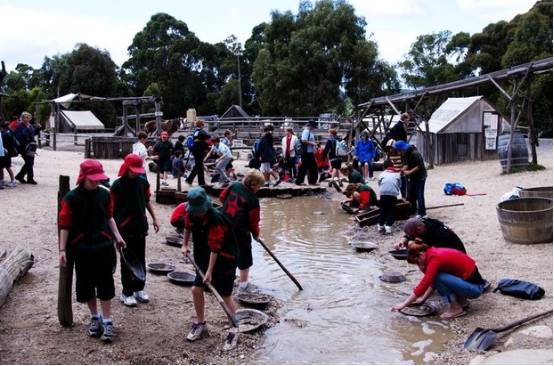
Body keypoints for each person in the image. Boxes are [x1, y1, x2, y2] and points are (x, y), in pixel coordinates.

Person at [58, 159, 126, 343]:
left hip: (103, 246)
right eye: (93, 179)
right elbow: (64, 224)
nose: (97, 182)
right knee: (86, 284)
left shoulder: (104, 195)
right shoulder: (71, 198)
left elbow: (110, 217)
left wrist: (118, 236)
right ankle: (94, 317)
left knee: (105, 284)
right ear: (84, 177)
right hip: (81, 248)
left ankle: (108, 320)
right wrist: (62, 249)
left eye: (98, 178)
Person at [181, 187, 240, 351]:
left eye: (199, 211)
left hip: (225, 258)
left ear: (205, 207)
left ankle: (235, 328)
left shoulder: (216, 220)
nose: (196, 214)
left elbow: (215, 248)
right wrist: (185, 244)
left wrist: (209, 272)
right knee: (195, 289)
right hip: (203, 256)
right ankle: (201, 324)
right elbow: (186, 227)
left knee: (225, 295)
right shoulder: (191, 213)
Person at [391, 239, 487, 319]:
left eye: (418, 262)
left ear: (420, 255)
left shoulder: (435, 258)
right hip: (469, 283)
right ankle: (462, 302)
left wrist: (404, 304)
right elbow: (433, 283)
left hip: (475, 289)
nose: (419, 265)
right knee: (438, 277)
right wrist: (423, 299)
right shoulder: (432, 252)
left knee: (439, 277)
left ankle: (455, 308)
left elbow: (425, 284)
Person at [110, 154, 160, 307]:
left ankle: (139, 288)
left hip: (139, 226)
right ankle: (127, 292)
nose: (135, 173)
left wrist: (154, 218)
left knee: (140, 257)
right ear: (126, 168)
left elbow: (146, 202)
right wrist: (113, 231)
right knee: (126, 260)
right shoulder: (117, 185)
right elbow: (110, 210)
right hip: (124, 228)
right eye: (133, 170)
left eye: (137, 170)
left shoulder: (143, 182)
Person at [219, 169, 264, 293]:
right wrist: (256, 234)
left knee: (225, 251)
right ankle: (243, 285)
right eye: (260, 186)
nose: (260, 188)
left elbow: (222, 197)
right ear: (254, 185)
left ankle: (224, 277)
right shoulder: (253, 200)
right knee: (245, 256)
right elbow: (253, 222)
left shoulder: (234, 185)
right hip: (240, 231)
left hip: (224, 223)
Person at [395, 217, 467, 253]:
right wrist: (402, 242)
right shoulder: (422, 225)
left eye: (414, 235)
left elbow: (439, 251)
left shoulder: (438, 233)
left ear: (419, 230)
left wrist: (418, 248)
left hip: (455, 254)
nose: (413, 237)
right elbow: (408, 236)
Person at [394, 140, 427, 218]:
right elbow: (406, 163)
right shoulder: (404, 154)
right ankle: (413, 209)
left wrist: (409, 172)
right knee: (411, 193)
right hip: (412, 177)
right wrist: (405, 167)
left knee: (419, 194)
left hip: (420, 176)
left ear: (402, 149)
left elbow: (419, 166)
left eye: (399, 151)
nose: (398, 153)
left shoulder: (415, 153)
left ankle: (422, 213)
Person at [377, 159, 401, 235]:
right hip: (393, 194)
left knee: (383, 209)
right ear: (392, 166)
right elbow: (399, 185)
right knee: (391, 210)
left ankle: (380, 225)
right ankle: (388, 226)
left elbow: (379, 184)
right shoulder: (397, 174)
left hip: (383, 194)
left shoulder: (381, 174)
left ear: (384, 167)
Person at [14, 111, 37, 185]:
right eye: (25, 117)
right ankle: (26, 177)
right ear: (22, 118)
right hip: (23, 147)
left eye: (28, 117)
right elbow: (18, 136)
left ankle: (25, 177)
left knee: (30, 162)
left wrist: (38, 129)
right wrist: (26, 129)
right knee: (29, 162)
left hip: (31, 146)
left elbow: (33, 134)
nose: (27, 119)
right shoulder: (20, 126)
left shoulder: (30, 125)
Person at [186, 120, 211, 186]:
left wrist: (200, 140)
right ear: (201, 125)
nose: (204, 126)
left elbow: (197, 139)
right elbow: (208, 136)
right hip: (199, 151)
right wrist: (202, 140)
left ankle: (201, 182)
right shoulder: (201, 131)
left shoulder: (195, 131)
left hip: (195, 151)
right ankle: (189, 180)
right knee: (198, 166)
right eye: (203, 124)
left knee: (200, 167)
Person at [295, 120, 318, 186]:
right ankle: (308, 181)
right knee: (309, 167)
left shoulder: (309, 132)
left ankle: (309, 181)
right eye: (313, 127)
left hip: (309, 152)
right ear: (310, 126)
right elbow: (303, 140)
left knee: (308, 167)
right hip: (306, 152)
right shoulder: (306, 131)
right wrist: (313, 143)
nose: (314, 128)